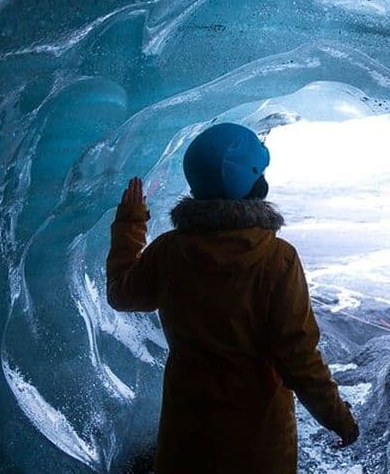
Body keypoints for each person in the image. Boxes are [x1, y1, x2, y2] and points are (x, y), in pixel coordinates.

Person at [106, 123, 359, 473]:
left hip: (187, 435)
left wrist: (130, 224)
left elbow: (121, 293)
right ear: (255, 183)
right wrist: (338, 418)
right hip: (258, 442)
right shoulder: (277, 259)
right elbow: (299, 358)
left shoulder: (170, 252)